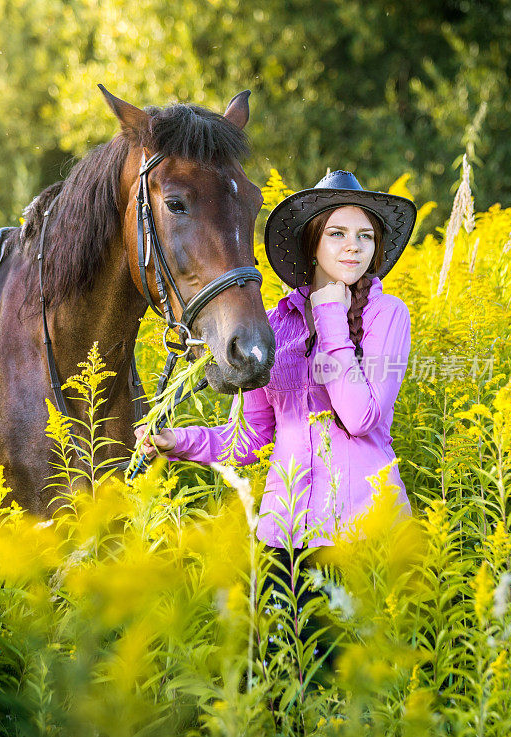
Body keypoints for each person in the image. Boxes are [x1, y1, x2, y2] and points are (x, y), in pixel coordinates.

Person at [135, 170, 417, 664]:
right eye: (338, 233)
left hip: (363, 538)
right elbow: (251, 439)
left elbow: (360, 416)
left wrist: (331, 316)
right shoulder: (278, 322)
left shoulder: (386, 314)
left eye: (365, 236)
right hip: (282, 543)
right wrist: (178, 440)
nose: (354, 248)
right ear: (312, 242)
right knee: (283, 689)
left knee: (358, 698)